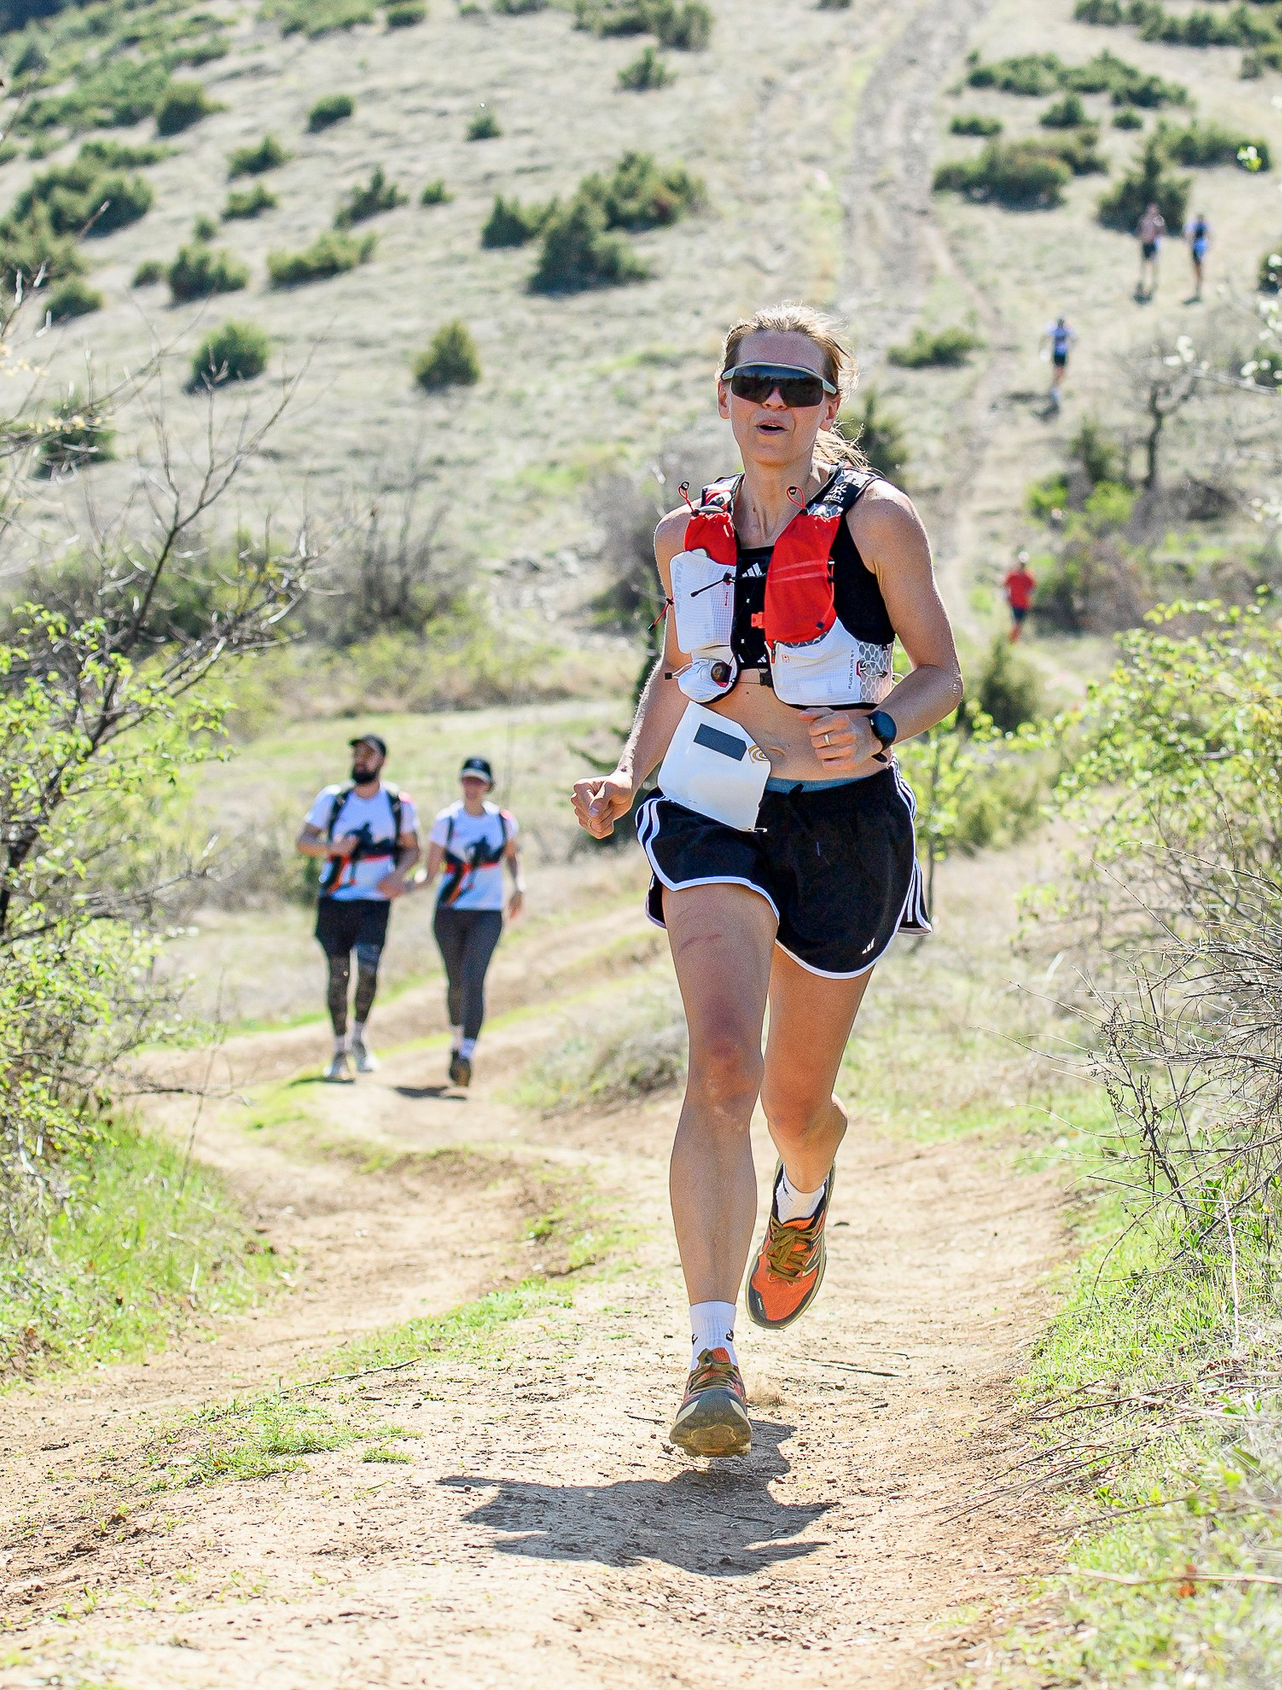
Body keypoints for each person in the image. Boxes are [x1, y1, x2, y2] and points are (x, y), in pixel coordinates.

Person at [570, 303, 962, 1459]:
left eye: (798, 389)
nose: (774, 406)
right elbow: (679, 665)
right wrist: (629, 772)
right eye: (755, 386)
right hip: (711, 812)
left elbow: (941, 672)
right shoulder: (677, 533)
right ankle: (710, 1359)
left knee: (793, 1106)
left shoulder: (877, 523)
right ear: (726, 396)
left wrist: (883, 726)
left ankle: (805, 1191)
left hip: (844, 827)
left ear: (830, 407)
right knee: (723, 1068)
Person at [296, 734, 418, 1083]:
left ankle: (359, 1038)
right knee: (338, 975)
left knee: (367, 968)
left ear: (382, 761)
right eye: (357, 754)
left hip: (374, 903)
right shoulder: (333, 799)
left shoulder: (397, 803)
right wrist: (333, 848)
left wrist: (397, 875)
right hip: (334, 900)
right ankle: (338, 1050)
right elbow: (303, 842)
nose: (361, 760)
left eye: (369, 754)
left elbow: (412, 849)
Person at [415, 755, 523, 1089]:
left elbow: (512, 857)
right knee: (456, 982)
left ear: (489, 786)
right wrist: (402, 885)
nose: (472, 787)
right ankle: (456, 1041)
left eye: (478, 781)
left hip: (488, 913)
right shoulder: (446, 821)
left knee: (474, 979)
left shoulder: (503, 822)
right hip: (448, 913)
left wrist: (519, 887)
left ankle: (467, 1054)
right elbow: (429, 872)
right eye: (467, 780)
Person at [1135, 201, 1167, 300]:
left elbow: (1163, 232)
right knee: (1143, 262)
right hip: (1145, 244)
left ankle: (1154, 279)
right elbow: (1139, 230)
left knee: (1154, 262)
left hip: (1153, 245)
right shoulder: (1144, 219)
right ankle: (1142, 279)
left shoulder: (1159, 220)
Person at [1004, 551, 1036, 643]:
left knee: (1018, 624)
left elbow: (1032, 589)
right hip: (1014, 603)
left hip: (1024, 604)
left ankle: (1012, 641)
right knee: (1016, 623)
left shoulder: (1029, 577)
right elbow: (1006, 586)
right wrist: (1006, 597)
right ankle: (1010, 641)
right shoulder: (1012, 575)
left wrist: (1028, 595)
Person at [1044, 314, 1072, 402]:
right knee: (1057, 370)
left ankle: (1055, 386)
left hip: (1063, 353)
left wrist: (1071, 347)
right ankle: (1054, 388)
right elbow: (1046, 337)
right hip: (1056, 353)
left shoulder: (1066, 330)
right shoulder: (1054, 330)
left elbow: (1074, 337)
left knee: (1062, 372)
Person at [1187, 212, 1211, 302]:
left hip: (1200, 248)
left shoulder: (1204, 226)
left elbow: (1208, 235)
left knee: (1200, 266)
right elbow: (1190, 235)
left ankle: (1199, 285)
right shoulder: (1194, 226)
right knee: (1196, 267)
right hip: (1195, 247)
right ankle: (1197, 283)